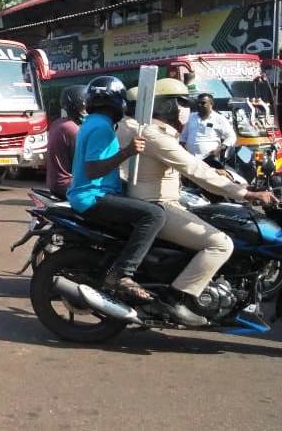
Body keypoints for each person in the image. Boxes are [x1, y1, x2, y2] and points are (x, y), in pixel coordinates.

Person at [117, 79, 275, 326]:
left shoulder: (145, 129)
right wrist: (245, 195)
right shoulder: (152, 134)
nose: (186, 108)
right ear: (165, 105)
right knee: (220, 243)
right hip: (159, 204)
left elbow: (193, 163)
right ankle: (175, 298)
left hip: (166, 200)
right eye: (180, 102)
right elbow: (195, 170)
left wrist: (236, 183)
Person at [67, 76, 163, 303]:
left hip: (92, 193)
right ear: (118, 102)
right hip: (93, 197)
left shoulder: (93, 122)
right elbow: (92, 170)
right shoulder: (102, 128)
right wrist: (127, 152)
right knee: (154, 215)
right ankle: (123, 273)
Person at [45, 85, 87, 199]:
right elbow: (82, 163)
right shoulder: (73, 129)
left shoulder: (57, 123)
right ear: (77, 107)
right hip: (68, 185)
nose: (87, 111)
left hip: (55, 184)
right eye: (85, 108)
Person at [179, 93, 236, 162]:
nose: (199, 105)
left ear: (211, 104)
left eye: (203, 103)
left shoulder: (219, 119)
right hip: (190, 159)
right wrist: (182, 152)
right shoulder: (191, 117)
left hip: (209, 160)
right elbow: (183, 137)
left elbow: (231, 137)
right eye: (198, 103)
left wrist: (220, 149)